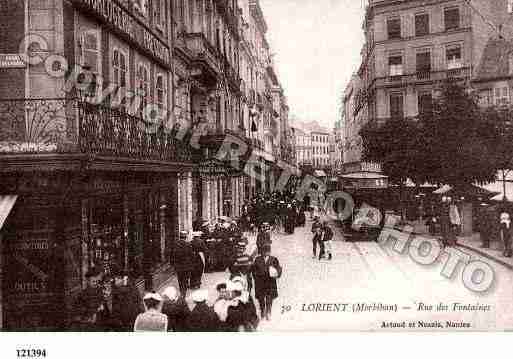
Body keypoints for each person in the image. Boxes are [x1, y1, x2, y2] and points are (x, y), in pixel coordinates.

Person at [251, 245, 282, 321]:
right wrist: (256, 277)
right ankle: (262, 311)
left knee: (269, 298)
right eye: (264, 251)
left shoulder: (274, 259)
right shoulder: (257, 259)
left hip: (270, 282)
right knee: (261, 298)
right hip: (260, 282)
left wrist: (277, 273)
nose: (266, 253)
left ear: (270, 252)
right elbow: (253, 270)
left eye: (268, 251)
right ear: (262, 252)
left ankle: (268, 311)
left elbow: (278, 268)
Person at [172, 231, 194, 297]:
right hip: (187, 266)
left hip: (179, 266)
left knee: (180, 279)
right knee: (185, 279)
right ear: (186, 237)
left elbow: (172, 255)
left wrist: (173, 265)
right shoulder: (188, 244)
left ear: (180, 236)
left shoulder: (175, 244)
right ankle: (183, 293)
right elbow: (191, 255)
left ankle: (182, 291)